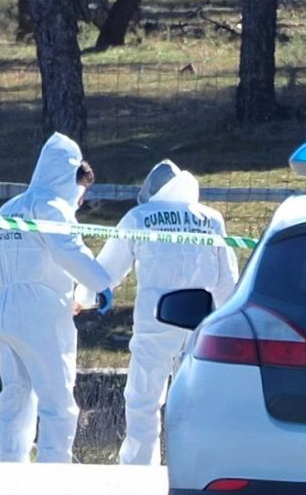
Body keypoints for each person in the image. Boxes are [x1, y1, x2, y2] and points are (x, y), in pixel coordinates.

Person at [97, 160, 238, 466]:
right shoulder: (211, 219)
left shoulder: (140, 217)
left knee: (143, 399)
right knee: (196, 400)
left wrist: (82, 297)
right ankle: (196, 468)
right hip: (200, 324)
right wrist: (229, 322)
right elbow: (228, 280)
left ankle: (139, 467)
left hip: (155, 322)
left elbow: (107, 269)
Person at [0, 134, 113, 463]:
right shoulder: (52, 207)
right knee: (57, 399)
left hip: (6, 308)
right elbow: (68, 251)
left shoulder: (9, 206)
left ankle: (9, 465)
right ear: (69, 177)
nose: (80, 201)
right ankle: (54, 470)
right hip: (42, 311)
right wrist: (99, 283)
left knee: (15, 397)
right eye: (81, 192)